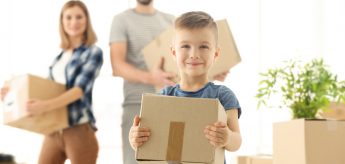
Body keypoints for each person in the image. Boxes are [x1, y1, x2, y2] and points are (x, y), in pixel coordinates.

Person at [129, 11, 242, 163]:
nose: (194, 54)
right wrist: (134, 138)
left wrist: (227, 137)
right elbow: (149, 143)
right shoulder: (164, 97)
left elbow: (236, 141)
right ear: (174, 52)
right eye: (185, 46)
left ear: (216, 53)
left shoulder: (222, 95)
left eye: (203, 46)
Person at [1, 1, 103, 164]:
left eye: (79, 17)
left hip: (78, 127)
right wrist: (11, 95)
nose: (73, 22)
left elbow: (78, 91)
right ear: (62, 21)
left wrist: (45, 106)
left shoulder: (93, 52)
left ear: (86, 20)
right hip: (53, 129)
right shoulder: (59, 58)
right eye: (68, 17)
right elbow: (45, 91)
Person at [109, 0, 177, 163]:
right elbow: (117, 65)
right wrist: (151, 78)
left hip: (171, 104)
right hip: (137, 105)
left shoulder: (171, 20)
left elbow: (182, 59)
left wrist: (211, 71)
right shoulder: (121, 20)